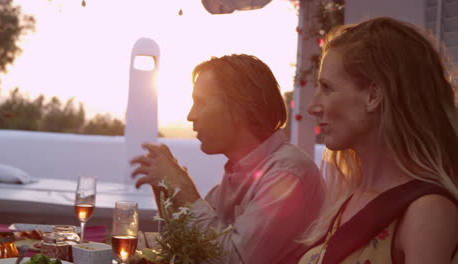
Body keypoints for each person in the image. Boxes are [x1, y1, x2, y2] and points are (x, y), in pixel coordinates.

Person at [130, 54, 325, 264]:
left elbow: (233, 260)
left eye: (200, 103)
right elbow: (187, 250)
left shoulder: (287, 174)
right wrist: (166, 191)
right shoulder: (236, 176)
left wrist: (182, 184)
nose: (190, 115)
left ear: (238, 108)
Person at [297, 17, 458, 264]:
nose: (313, 107)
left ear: (373, 96)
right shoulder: (352, 196)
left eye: (327, 88)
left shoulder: (426, 212)